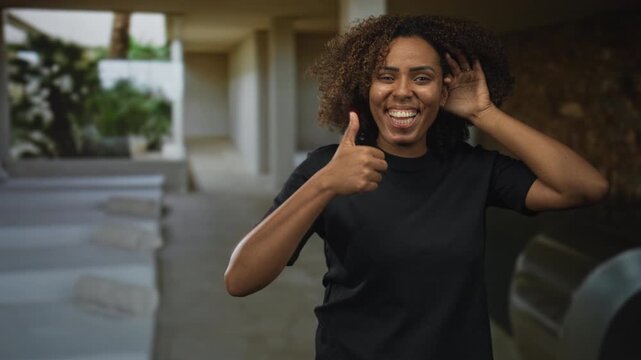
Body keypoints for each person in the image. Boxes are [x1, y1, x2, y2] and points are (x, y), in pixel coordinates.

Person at [224, 14, 609, 359]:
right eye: (386, 76)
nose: (403, 90)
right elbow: (240, 279)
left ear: (443, 93)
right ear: (367, 89)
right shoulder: (329, 168)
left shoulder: (472, 168)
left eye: (421, 78)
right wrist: (323, 185)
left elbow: (585, 188)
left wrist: (484, 114)